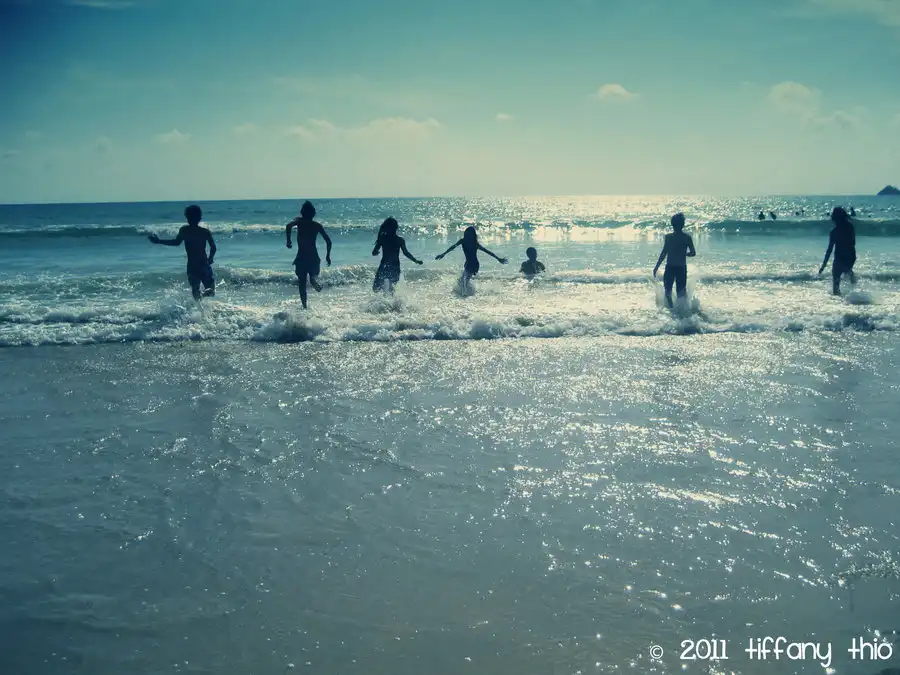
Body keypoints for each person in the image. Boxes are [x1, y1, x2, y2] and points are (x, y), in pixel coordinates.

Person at [148, 204, 216, 301]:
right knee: (211, 291)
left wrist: (159, 241)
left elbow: (176, 243)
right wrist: (210, 258)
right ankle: (204, 297)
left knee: (195, 292)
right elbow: (213, 247)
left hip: (192, 266)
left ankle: (199, 307)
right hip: (204, 264)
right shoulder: (205, 232)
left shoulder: (185, 230)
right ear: (200, 218)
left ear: (187, 218)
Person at [285, 200, 332, 309]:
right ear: (313, 214)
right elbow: (328, 241)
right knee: (313, 276)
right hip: (313, 257)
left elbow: (288, 226)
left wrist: (289, 241)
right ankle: (313, 280)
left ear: (302, 212)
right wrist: (328, 256)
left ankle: (304, 306)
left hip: (301, 257)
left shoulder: (299, 222)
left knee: (302, 283)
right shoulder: (317, 225)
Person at [435, 226, 507, 289]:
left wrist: (498, 258)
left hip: (474, 265)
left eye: (470, 234)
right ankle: (469, 293)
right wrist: (443, 254)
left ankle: (465, 295)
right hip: (467, 264)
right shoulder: (463, 241)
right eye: (467, 233)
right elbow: (453, 247)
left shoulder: (475, 244)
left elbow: (487, 251)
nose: (468, 235)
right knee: (461, 281)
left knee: (464, 281)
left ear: (473, 235)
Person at [652, 213, 696, 308]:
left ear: (672, 224)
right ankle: (682, 311)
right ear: (683, 224)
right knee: (680, 293)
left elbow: (664, 253)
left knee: (668, 292)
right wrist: (685, 254)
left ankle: (672, 310)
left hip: (670, 268)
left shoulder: (669, 237)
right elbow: (693, 253)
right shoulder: (687, 237)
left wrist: (656, 267)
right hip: (681, 268)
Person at [372, 217, 423, 293]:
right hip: (395, 267)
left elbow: (374, 253)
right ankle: (390, 300)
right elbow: (406, 253)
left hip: (384, 266)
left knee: (376, 288)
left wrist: (376, 252)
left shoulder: (383, 238)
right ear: (396, 227)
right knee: (391, 289)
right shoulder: (400, 240)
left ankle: (383, 299)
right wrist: (415, 260)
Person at [819, 206, 857, 295]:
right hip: (851, 256)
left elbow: (829, 250)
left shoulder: (834, 232)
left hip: (839, 257)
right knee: (848, 271)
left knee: (836, 284)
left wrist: (823, 265)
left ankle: (839, 299)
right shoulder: (850, 227)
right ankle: (856, 293)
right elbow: (853, 242)